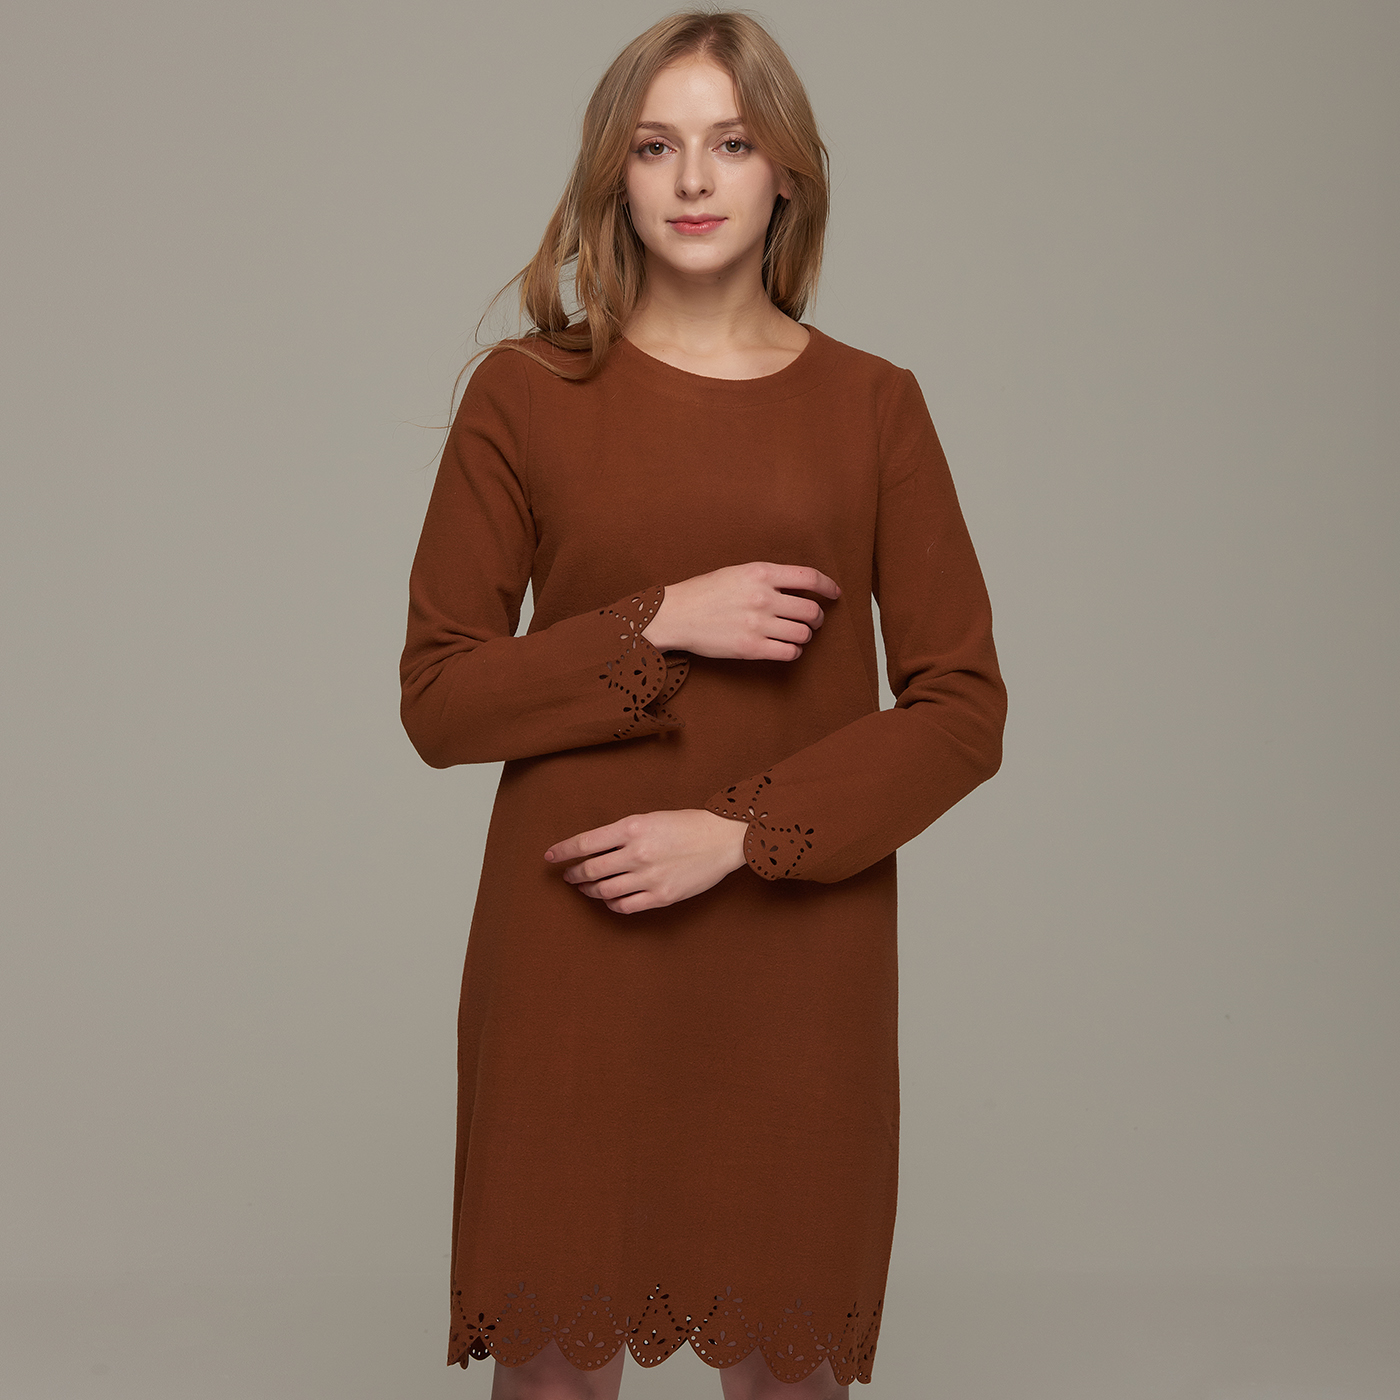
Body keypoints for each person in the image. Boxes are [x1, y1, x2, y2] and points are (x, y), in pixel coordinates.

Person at [398, 10, 1006, 1398]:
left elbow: (962, 707)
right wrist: (657, 620)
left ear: (787, 173)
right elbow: (441, 698)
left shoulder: (874, 406)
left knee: (788, 1369)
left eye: (731, 144)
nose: (690, 179)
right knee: (552, 1369)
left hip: (796, 946)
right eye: (654, 145)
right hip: (575, 932)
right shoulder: (526, 393)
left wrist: (737, 835)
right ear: (611, 174)